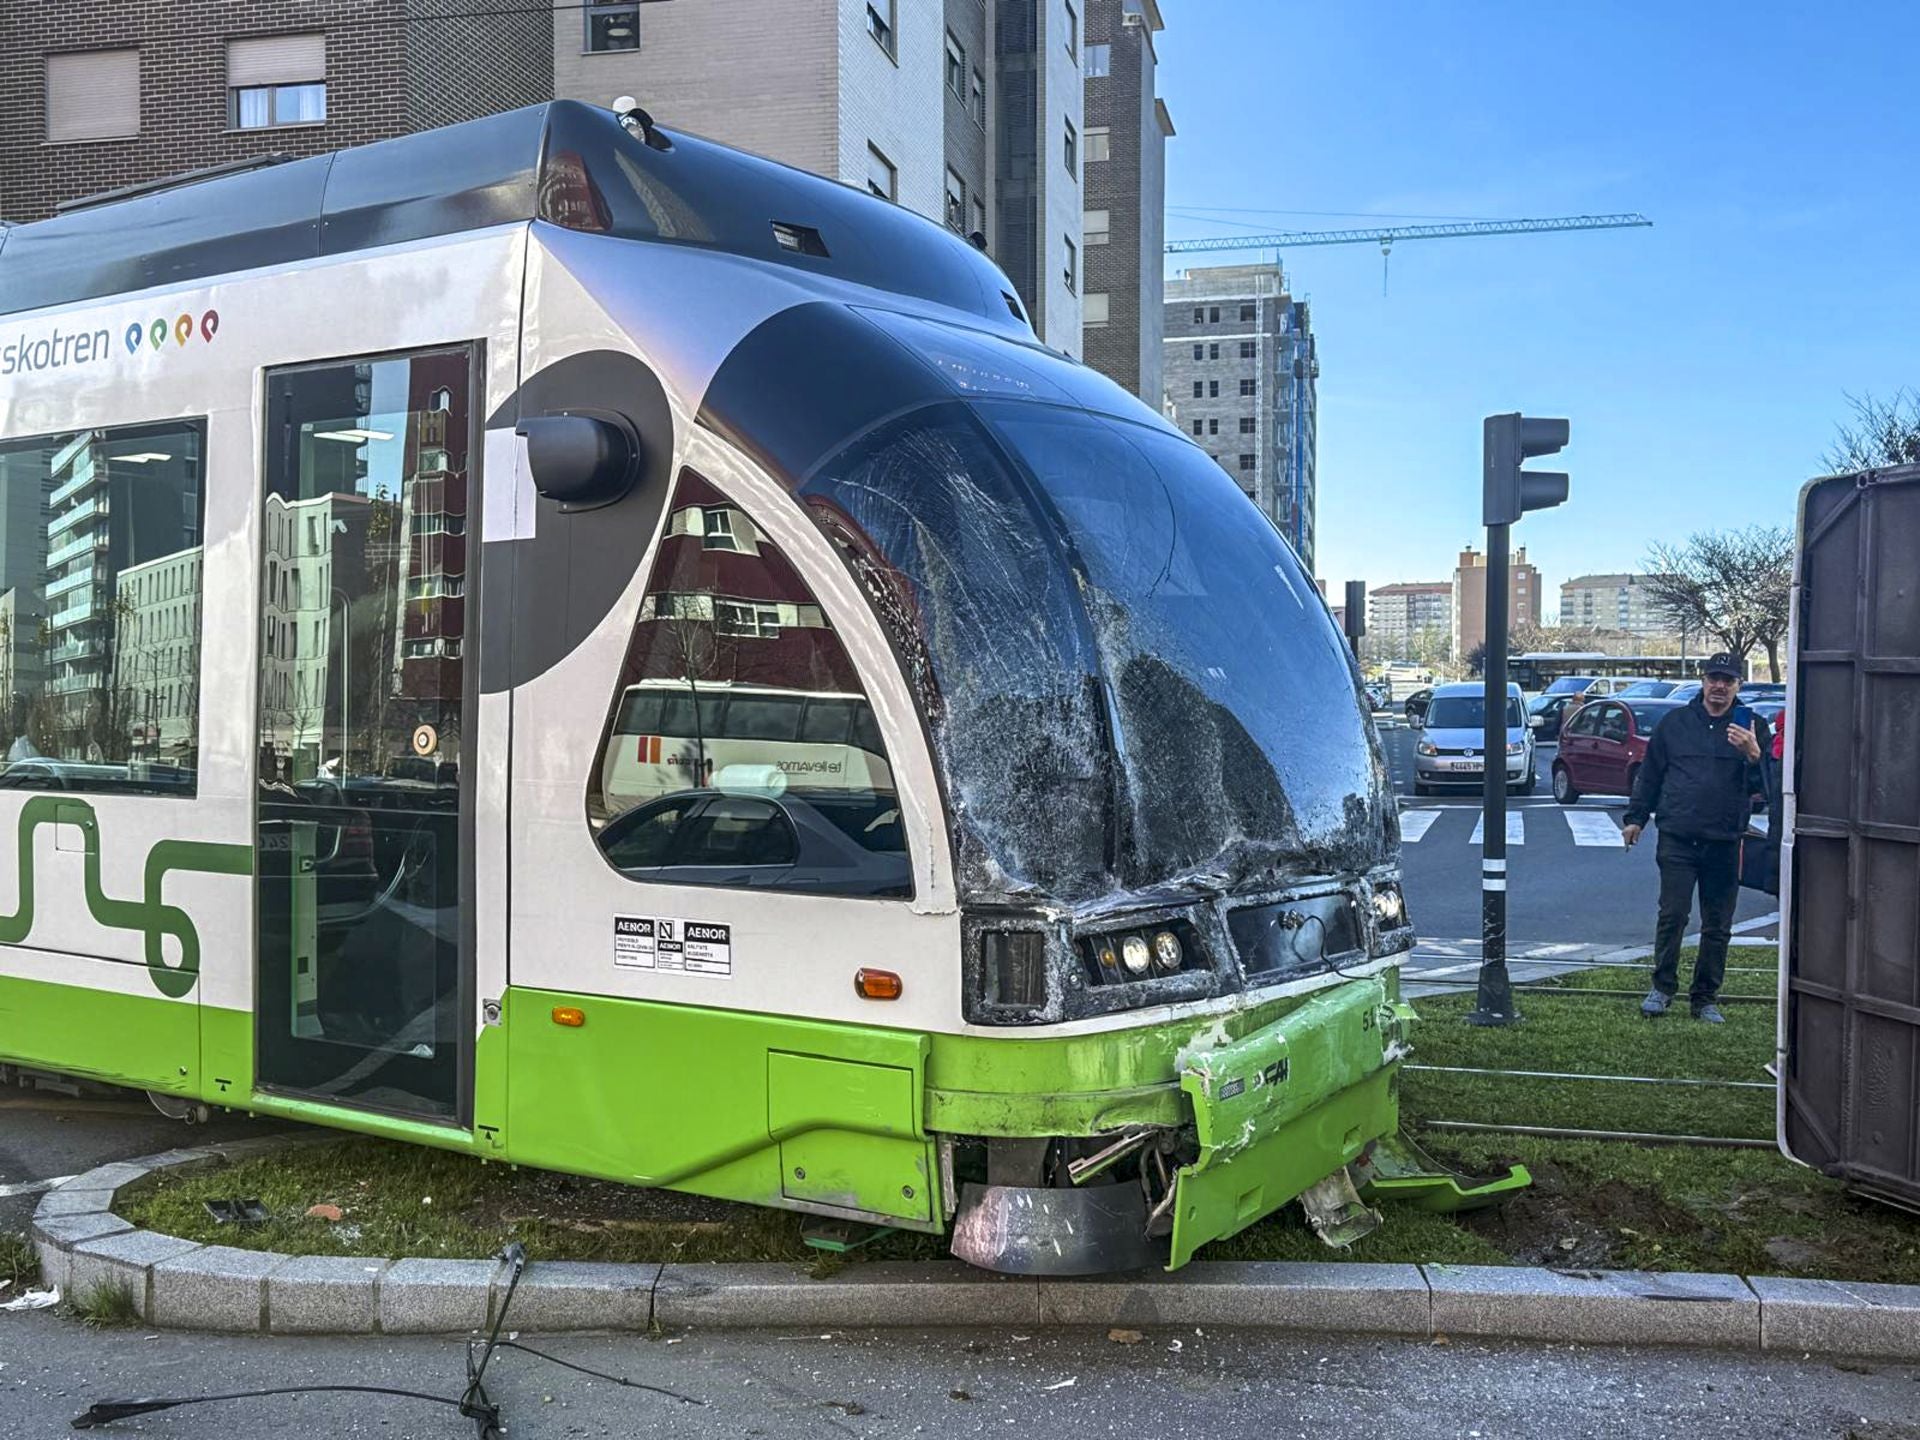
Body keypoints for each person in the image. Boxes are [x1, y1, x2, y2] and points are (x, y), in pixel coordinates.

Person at [1622, 653, 1770, 1023]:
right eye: (1713, 678)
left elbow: (1768, 788)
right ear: (1703, 681)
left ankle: (1704, 998)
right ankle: (1662, 987)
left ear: (1738, 685)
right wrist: (1635, 818)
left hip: (1724, 839)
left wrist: (1754, 756)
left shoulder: (1752, 726)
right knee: (1673, 914)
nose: (1719, 686)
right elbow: (1651, 775)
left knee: (1718, 923)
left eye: (1728, 680)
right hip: (1678, 837)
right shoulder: (1675, 724)